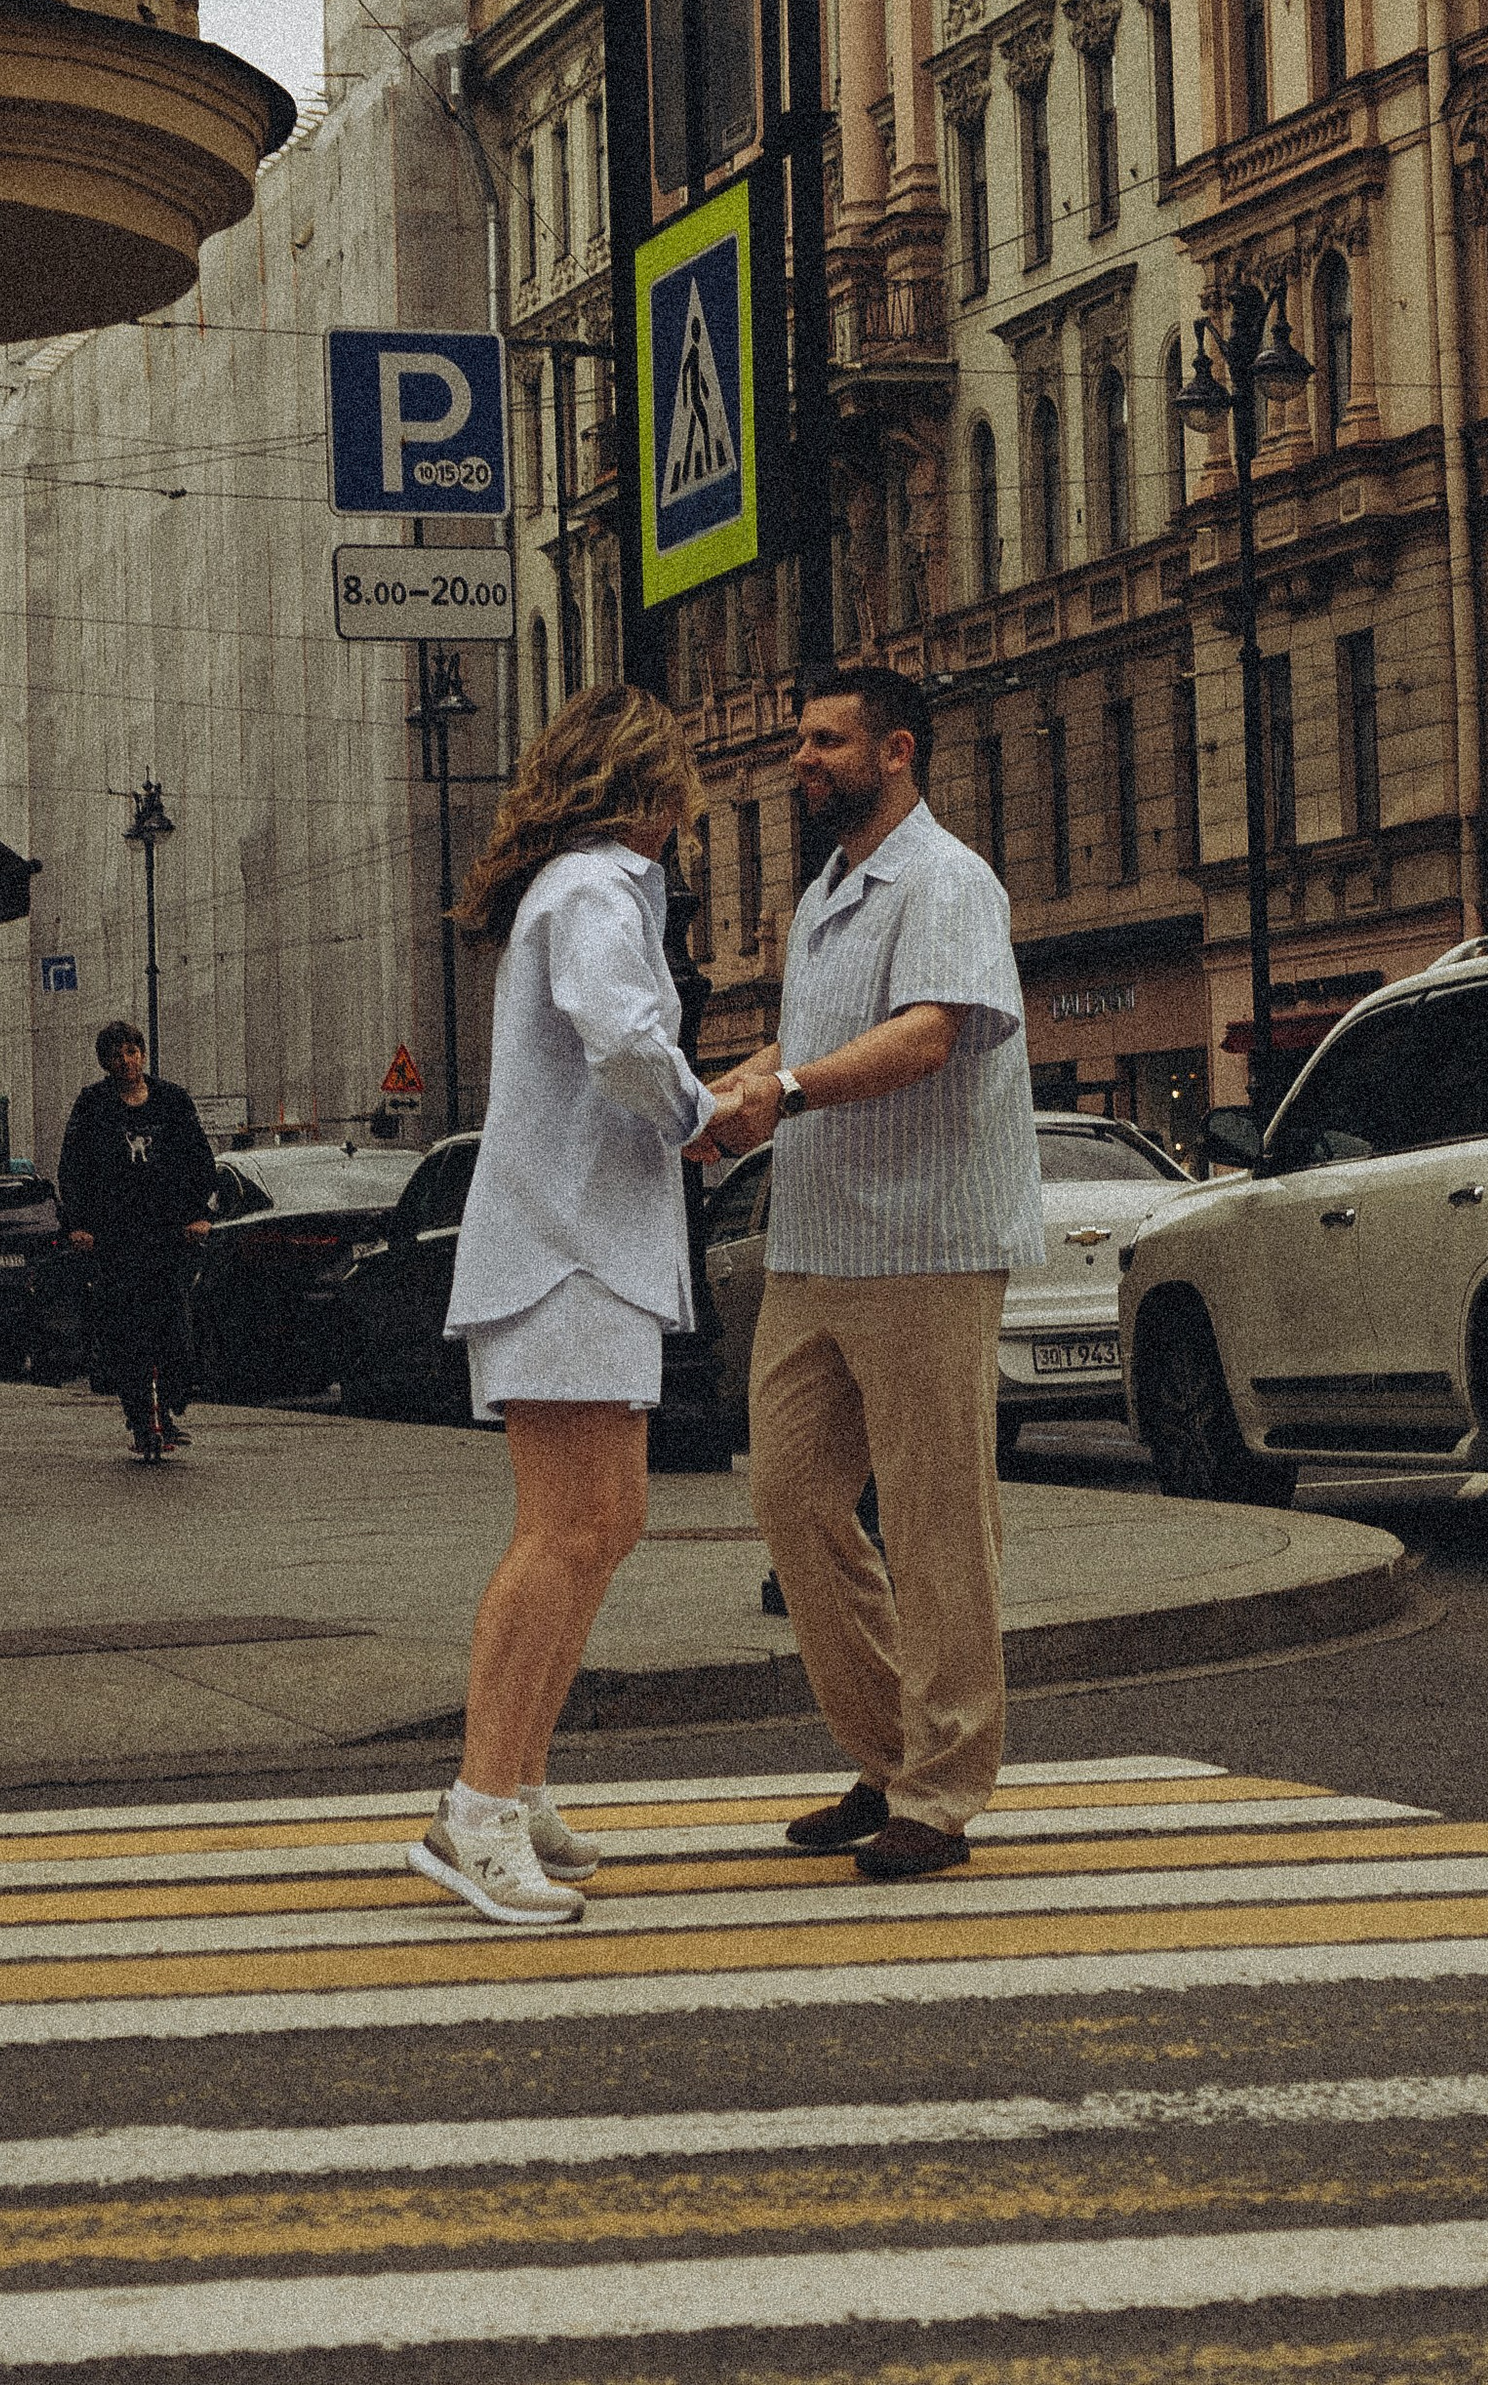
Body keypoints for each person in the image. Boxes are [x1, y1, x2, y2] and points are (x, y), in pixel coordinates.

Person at [706, 664, 1042, 1881]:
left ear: (895, 751)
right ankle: (887, 1748)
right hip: (821, 1240)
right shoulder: (824, 895)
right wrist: (726, 1092)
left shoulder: (948, 880)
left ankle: (942, 1793)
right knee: (793, 1498)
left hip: (928, 1243)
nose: (801, 759)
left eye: (823, 740)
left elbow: (927, 1033)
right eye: (800, 739)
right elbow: (815, 1040)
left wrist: (782, 1092)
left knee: (936, 1521)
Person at [410, 683, 719, 1929]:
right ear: (649, 792)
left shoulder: (584, 887)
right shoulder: (594, 890)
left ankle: (517, 1782)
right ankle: (474, 1813)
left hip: (577, 1246)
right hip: (568, 1249)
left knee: (606, 1518)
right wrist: (704, 1115)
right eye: (681, 785)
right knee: (568, 1530)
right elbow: (627, 1042)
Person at [57, 1021, 217, 1455]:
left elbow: (200, 1162)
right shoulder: (93, 1106)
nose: (125, 1061)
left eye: (132, 1051)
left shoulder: (172, 1101)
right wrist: (78, 1225)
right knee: (129, 1332)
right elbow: (73, 1169)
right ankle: (142, 1421)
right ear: (104, 1062)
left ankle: (169, 1405)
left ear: (143, 1055)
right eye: (116, 1055)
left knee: (174, 1330)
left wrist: (198, 1215)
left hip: (167, 1236)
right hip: (116, 1239)